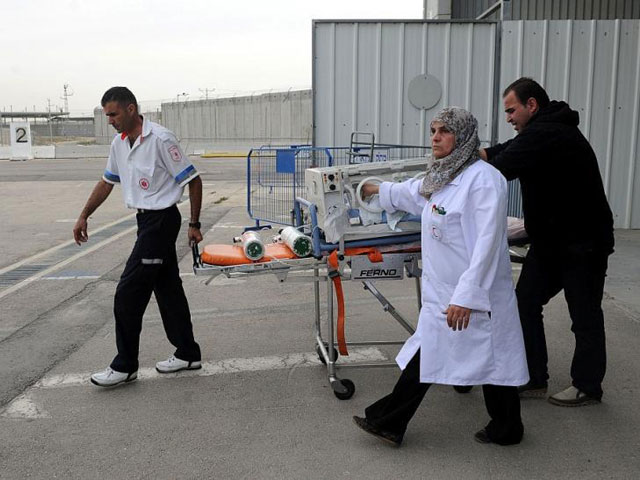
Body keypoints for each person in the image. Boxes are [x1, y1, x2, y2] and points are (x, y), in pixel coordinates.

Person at [352, 107, 529, 447]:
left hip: (473, 292)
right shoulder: (445, 175)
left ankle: (390, 420)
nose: (435, 137)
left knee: (488, 358)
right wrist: (377, 189)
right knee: (485, 360)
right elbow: (416, 194)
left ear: (462, 137)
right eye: (433, 130)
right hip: (445, 291)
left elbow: (488, 244)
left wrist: (467, 295)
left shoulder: (483, 180)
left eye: (444, 131)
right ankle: (507, 427)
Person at [480, 77, 614, 406]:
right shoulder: (540, 130)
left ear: (532, 105)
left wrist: (460, 165)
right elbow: (502, 151)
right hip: (552, 242)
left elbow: (503, 166)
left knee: (584, 314)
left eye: (511, 111)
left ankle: (587, 386)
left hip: (583, 243)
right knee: (525, 302)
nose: (508, 117)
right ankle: (534, 377)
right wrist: (476, 151)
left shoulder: (549, 133)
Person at [73, 86, 203, 387]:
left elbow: (193, 181)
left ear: (131, 109)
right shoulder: (119, 144)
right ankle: (187, 353)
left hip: (161, 222)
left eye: (114, 114)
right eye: (107, 115)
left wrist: (195, 223)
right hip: (145, 222)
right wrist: (83, 215)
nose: (110, 120)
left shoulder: (160, 138)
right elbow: (107, 183)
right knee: (168, 290)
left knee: (128, 293)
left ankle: (125, 364)